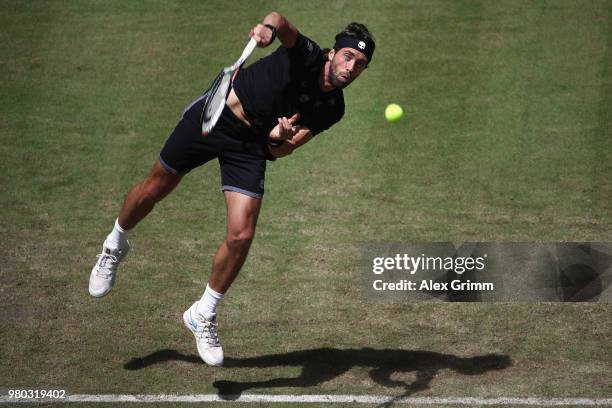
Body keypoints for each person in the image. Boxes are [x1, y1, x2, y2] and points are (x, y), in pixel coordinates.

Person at [89, 11, 375, 367]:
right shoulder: (308, 54)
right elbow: (280, 20)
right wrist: (268, 30)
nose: (351, 67)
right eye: (348, 56)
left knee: (242, 235)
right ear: (333, 54)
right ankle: (114, 244)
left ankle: (203, 313)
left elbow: (283, 150)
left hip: (251, 145)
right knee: (155, 188)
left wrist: (276, 138)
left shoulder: (333, 108)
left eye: (361, 64)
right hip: (217, 115)